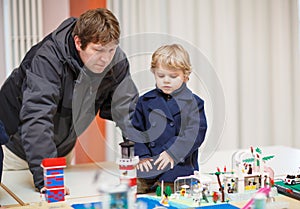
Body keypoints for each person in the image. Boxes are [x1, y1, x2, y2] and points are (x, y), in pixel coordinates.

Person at [0, 8, 138, 193]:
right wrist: (49, 180)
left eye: (111, 50)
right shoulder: (46, 59)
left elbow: (128, 110)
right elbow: (37, 118)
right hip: (16, 152)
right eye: (98, 50)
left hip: (59, 151)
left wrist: (144, 157)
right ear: (78, 42)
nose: (105, 58)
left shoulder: (115, 60)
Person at [131, 44, 207, 194]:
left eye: (173, 76)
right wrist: (142, 156)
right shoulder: (144, 101)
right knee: (135, 189)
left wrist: (172, 152)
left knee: (169, 191)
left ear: (185, 76)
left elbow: (195, 133)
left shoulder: (194, 103)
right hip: (150, 162)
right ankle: (148, 180)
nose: (166, 80)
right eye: (161, 75)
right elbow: (135, 131)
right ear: (154, 73)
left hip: (179, 163)